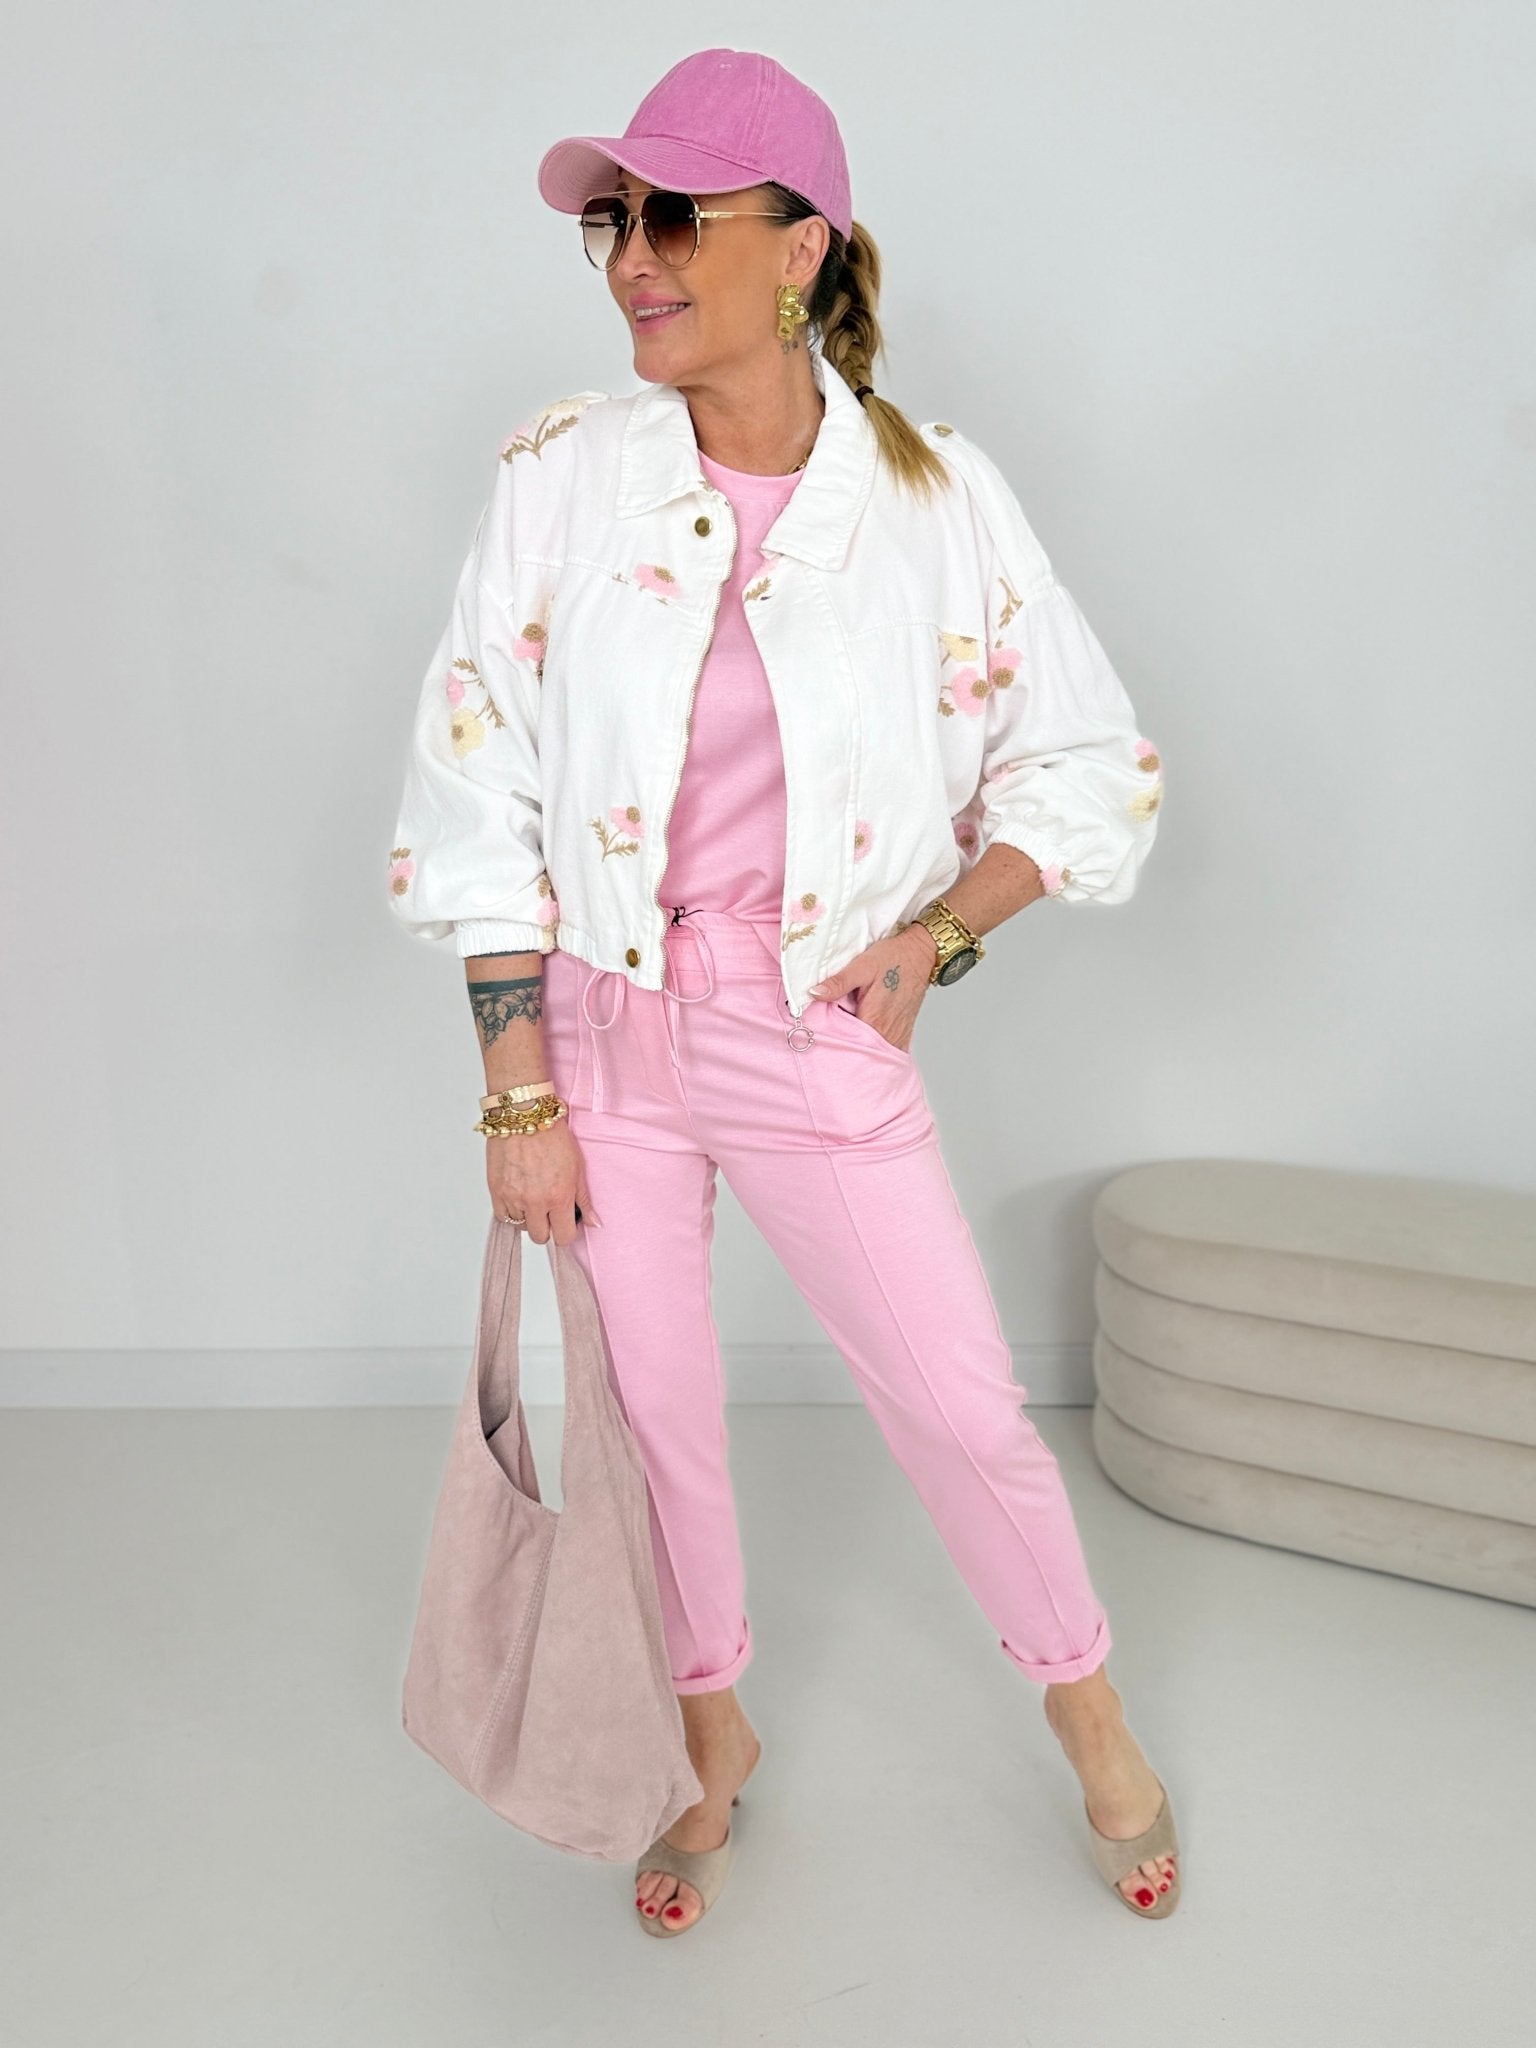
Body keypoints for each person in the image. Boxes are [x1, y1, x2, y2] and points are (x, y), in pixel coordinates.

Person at [386, 47, 1179, 1935]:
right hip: (602, 1027)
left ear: (803, 244)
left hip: (812, 1021)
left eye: (675, 217)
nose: (632, 258)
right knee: (654, 1419)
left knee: (960, 1407)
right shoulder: (563, 481)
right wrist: (519, 1089)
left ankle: (1090, 1716)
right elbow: (477, 786)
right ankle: (708, 1733)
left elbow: (1091, 766)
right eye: (612, 221)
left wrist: (942, 934)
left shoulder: (935, 496)